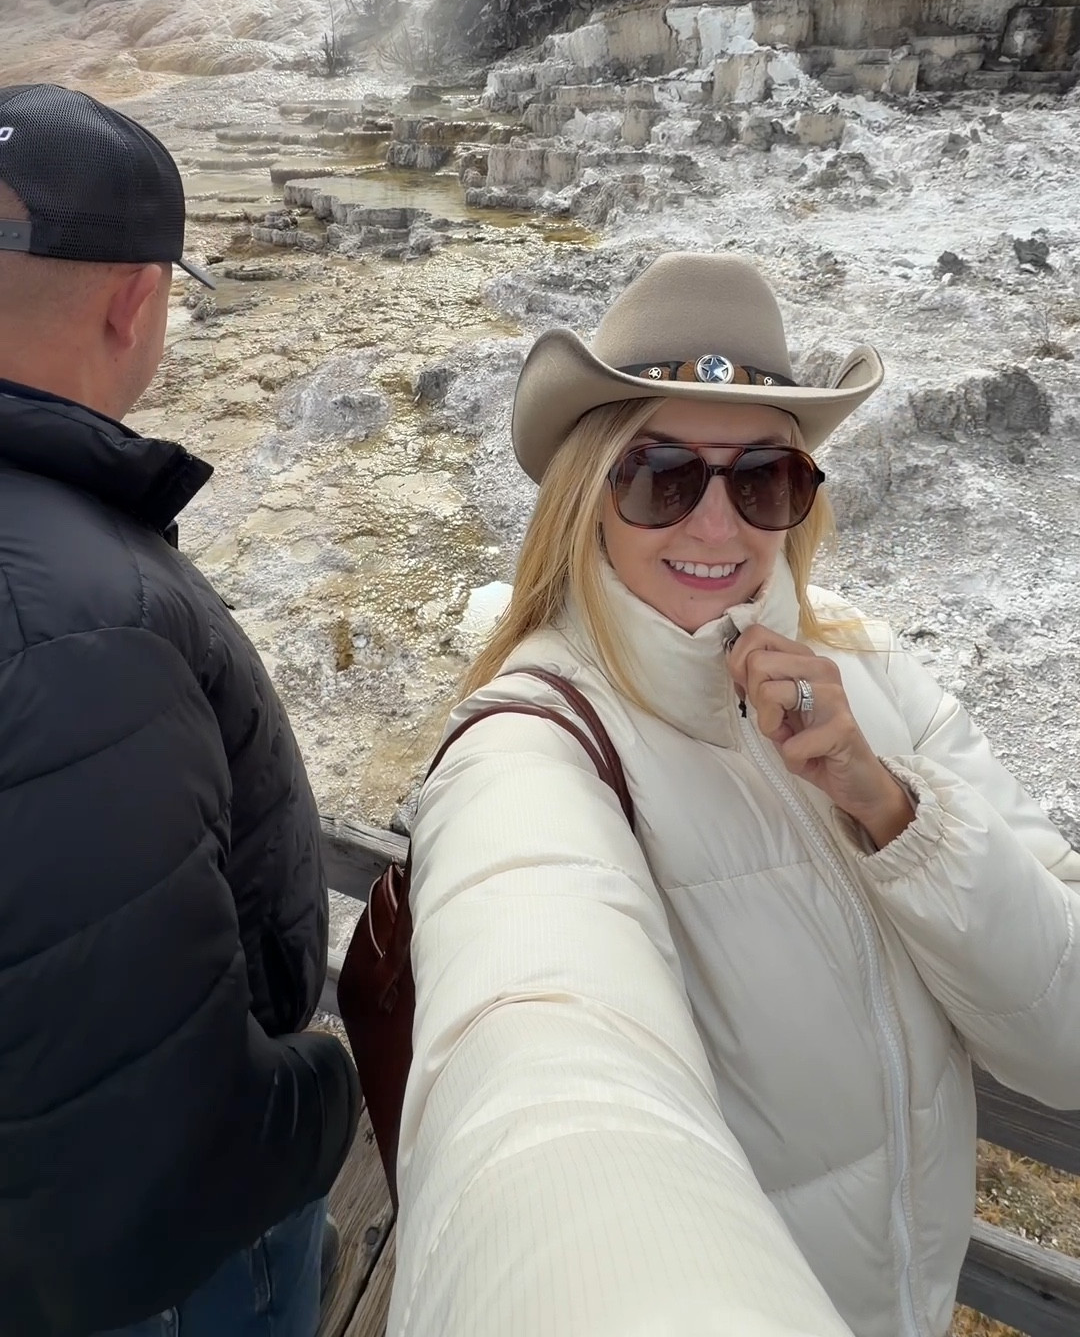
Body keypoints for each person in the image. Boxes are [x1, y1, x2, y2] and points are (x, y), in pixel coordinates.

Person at [391, 252, 1080, 1337]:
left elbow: (1067, 1034)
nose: (719, 528)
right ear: (590, 497)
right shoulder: (530, 748)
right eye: (664, 476)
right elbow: (540, 1053)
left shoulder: (875, 675)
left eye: (763, 478)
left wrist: (893, 810)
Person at [0, 85, 358, 1337]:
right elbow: (138, 1122)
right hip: (169, 1273)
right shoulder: (79, 623)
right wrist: (322, 1098)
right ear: (136, 300)